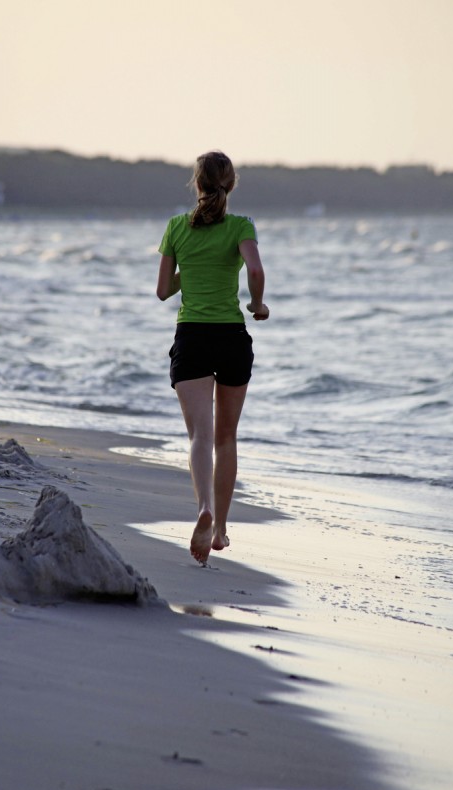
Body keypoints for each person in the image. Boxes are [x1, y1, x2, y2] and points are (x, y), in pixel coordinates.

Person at [156, 151, 269, 565]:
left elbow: (163, 290)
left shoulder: (176, 227)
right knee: (226, 438)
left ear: (197, 184)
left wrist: (192, 264)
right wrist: (257, 304)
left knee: (199, 437)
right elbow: (255, 271)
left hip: (192, 338)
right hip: (231, 337)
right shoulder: (242, 226)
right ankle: (220, 528)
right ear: (231, 184)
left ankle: (202, 506)